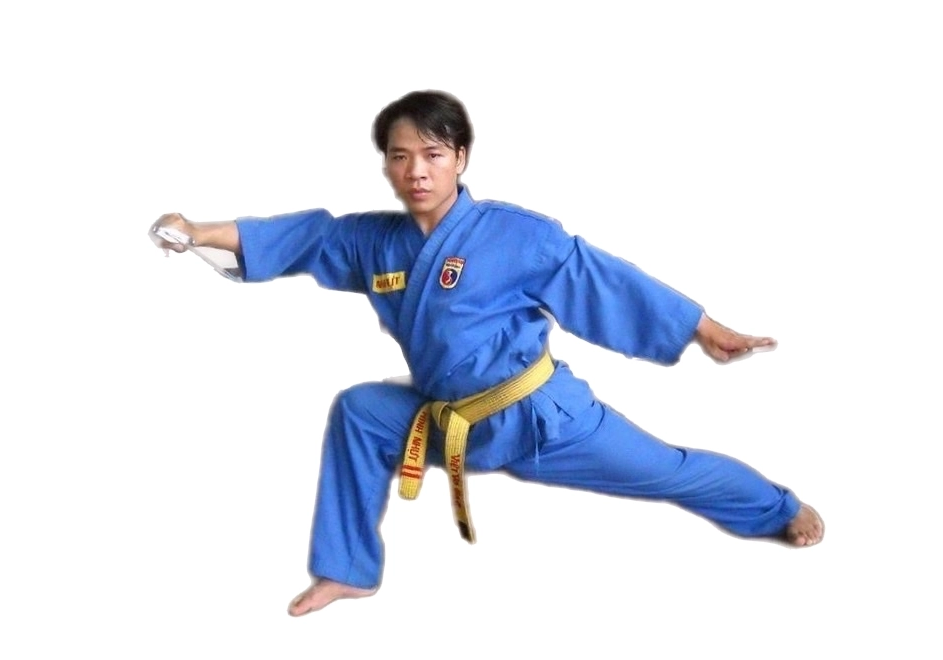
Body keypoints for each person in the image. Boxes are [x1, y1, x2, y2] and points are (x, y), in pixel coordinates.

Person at [150, 90, 824, 617]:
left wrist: (703, 327)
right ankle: (347, 570)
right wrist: (195, 230)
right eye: (400, 156)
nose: (416, 171)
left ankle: (777, 507)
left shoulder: (515, 234)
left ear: (461, 158)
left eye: (433, 154)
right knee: (361, 412)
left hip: (544, 421)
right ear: (385, 165)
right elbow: (303, 238)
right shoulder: (371, 242)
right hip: (452, 422)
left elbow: (603, 281)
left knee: (670, 472)